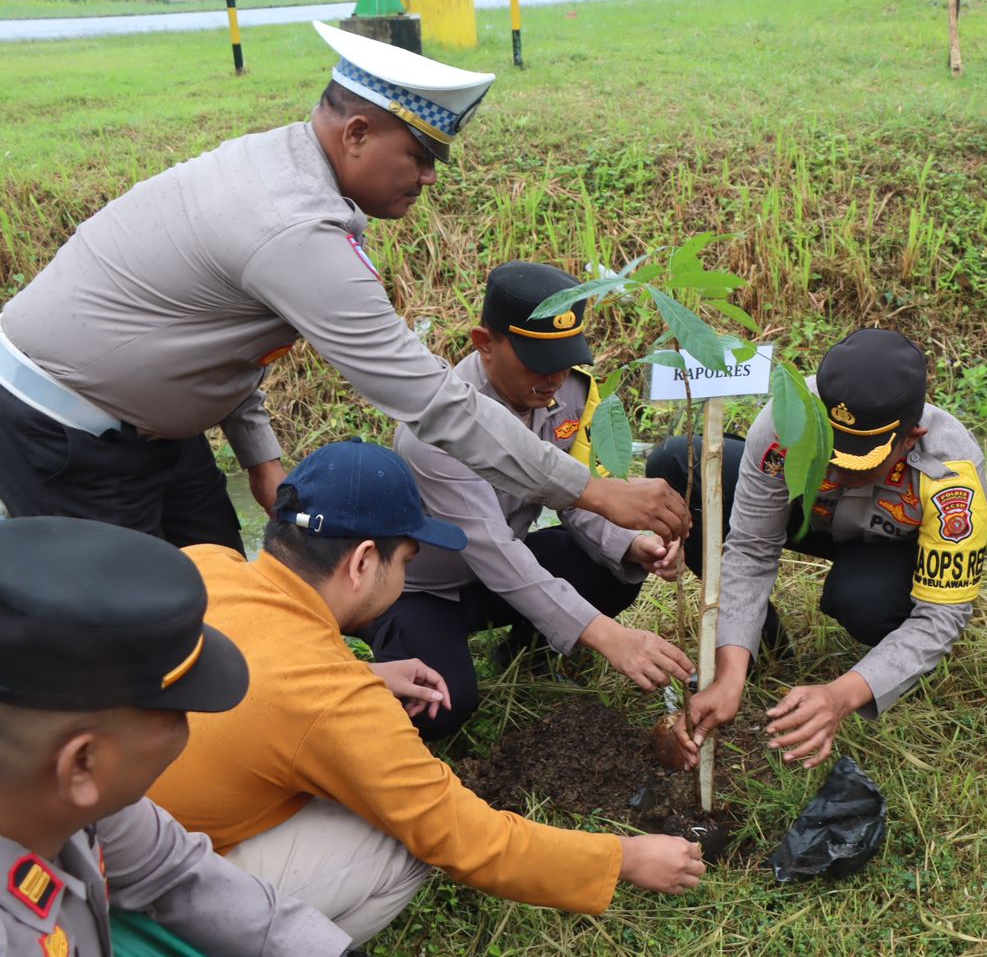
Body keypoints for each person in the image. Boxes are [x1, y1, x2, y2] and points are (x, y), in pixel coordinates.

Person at [0, 20, 686, 552]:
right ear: (357, 132)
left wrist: (260, 458)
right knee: (121, 632)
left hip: (151, 428)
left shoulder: (282, 165)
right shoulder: (292, 226)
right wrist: (593, 490)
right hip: (68, 430)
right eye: (419, 155)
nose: (429, 177)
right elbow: (430, 400)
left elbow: (223, 336)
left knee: (219, 583)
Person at [148, 440, 704, 944]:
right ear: (363, 562)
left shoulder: (207, 564)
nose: (405, 578)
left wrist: (371, 673)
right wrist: (624, 857)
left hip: (110, 828)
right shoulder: (337, 702)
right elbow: (466, 839)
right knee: (400, 839)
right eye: (407, 562)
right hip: (142, 885)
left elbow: (261, 670)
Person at [0, 516, 353, 956]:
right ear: (82, 764)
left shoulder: (55, 797)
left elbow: (173, 869)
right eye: (178, 713)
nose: (189, 728)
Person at [372, 261, 693, 741]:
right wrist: (608, 636)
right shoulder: (434, 430)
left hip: (501, 573)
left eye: (564, 361)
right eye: (537, 362)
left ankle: (530, 651)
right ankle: (398, 648)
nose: (554, 378)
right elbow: (492, 548)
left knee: (611, 565)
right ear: (485, 343)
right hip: (425, 590)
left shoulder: (570, 393)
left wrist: (630, 543)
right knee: (441, 706)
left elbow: (579, 495)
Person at [650, 329, 987, 770]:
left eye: (859, 464)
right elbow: (752, 546)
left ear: (911, 438)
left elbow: (941, 615)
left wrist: (841, 695)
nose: (837, 471)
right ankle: (757, 645)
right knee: (679, 462)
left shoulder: (952, 472)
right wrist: (730, 673)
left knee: (863, 601)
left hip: (889, 546)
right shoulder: (787, 421)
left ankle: (887, 651)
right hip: (814, 518)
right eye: (829, 451)